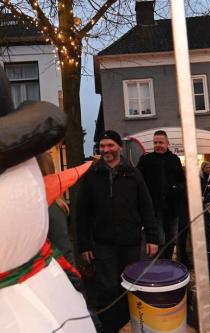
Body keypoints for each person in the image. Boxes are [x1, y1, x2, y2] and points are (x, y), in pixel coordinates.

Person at [76, 130, 160, 333]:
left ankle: (128, 325)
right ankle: (109, 328)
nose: (106, 150)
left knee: (129, 286)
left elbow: (146, 206)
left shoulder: (133, 173)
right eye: (102, 146)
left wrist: (152, 237)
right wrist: (84, 244)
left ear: (119, 147)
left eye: (110, 145)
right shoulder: (92, 174)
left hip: (130, 241)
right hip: (103, 242)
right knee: (107, 287)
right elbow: (82, 213)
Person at [137, 130, 185, 260]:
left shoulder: (174, 160)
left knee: (171, 238)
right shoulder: (146, 160)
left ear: (167, 143)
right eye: (155, 142)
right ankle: (156, 264)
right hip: (153, 208)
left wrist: (176, 188)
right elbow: (138, 181)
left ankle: (167, 262)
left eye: (160, 142)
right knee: (157, 239)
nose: (157, 145)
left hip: (172, 208)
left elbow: (182, 181)